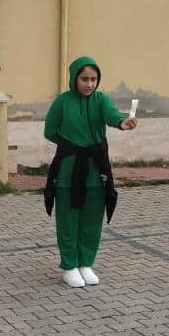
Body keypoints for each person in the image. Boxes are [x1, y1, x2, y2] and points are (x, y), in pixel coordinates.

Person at [44, 56, 138, 288]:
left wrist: (121, 123)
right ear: (74, 78)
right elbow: (49, 131)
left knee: (92, 219)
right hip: (69, 170)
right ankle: (69, 265)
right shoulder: (62, 102)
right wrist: (72, 147)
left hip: (96, 170)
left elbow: (111, 114)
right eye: (84, 79)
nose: (89, 84)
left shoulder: (101, 100)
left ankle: (86, 263)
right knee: (68, 219)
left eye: (94, 79)